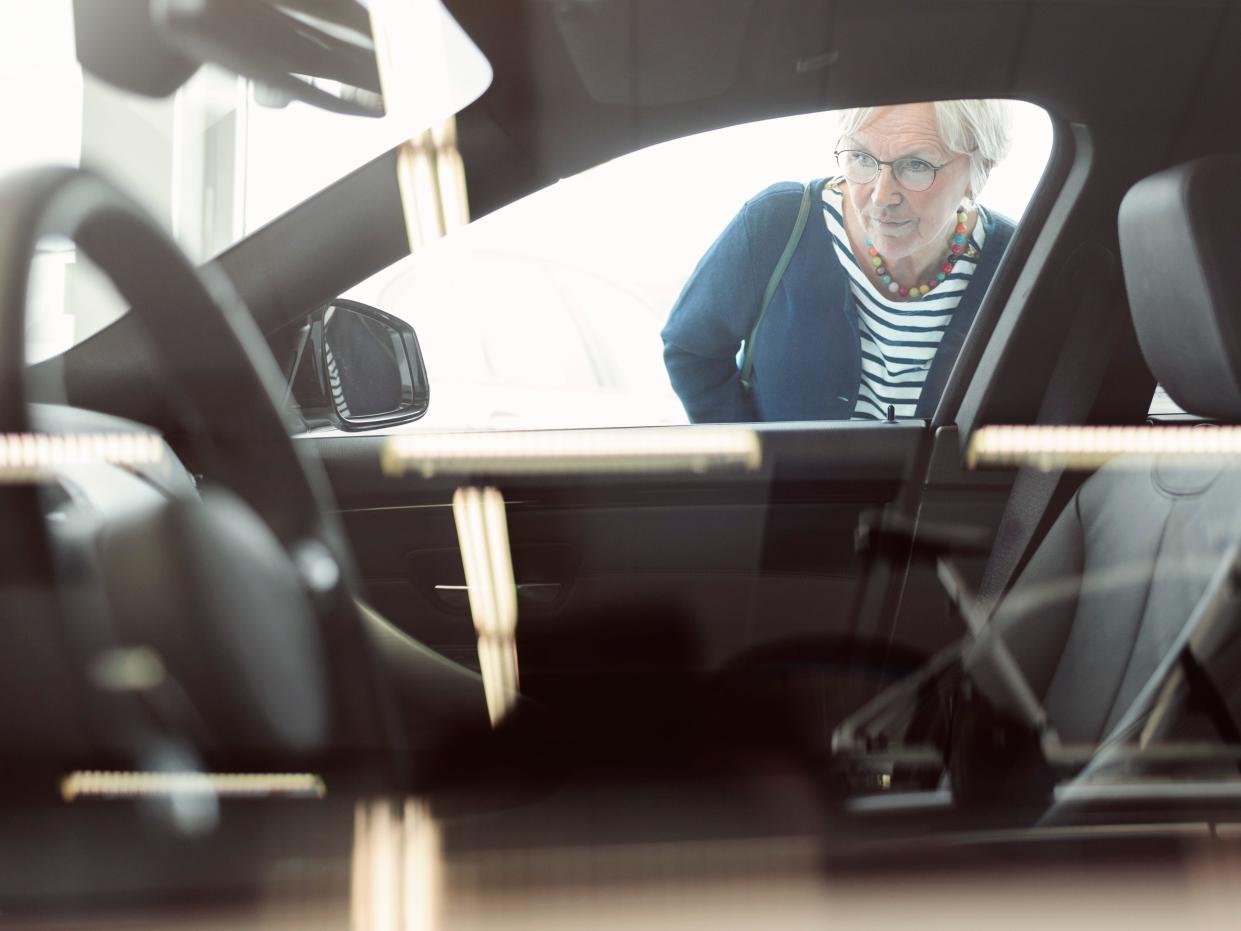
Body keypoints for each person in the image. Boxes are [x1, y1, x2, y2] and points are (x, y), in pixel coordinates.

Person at [661, 100, 1016, 423]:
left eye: (916, 165)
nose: (881, 196)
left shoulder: (1017, 263)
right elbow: (691, 349)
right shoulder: (778, 222)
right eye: (862, 159)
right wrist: (751, 469)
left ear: (979, 170)